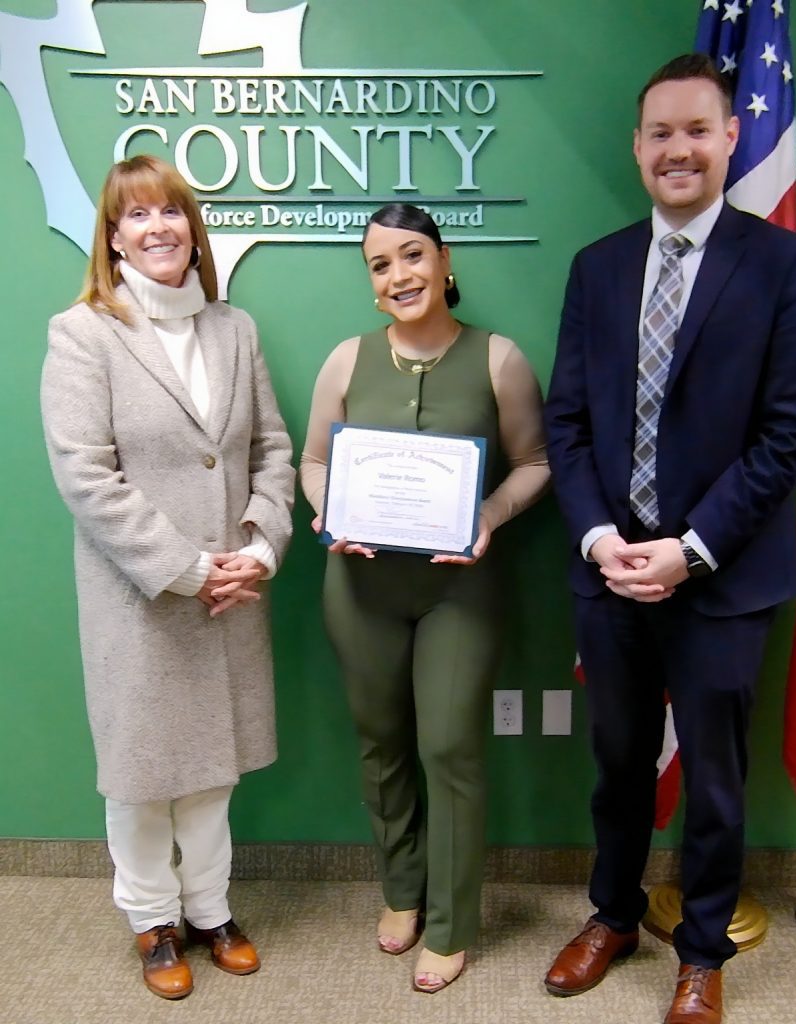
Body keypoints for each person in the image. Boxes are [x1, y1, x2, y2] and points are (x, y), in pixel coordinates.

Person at [542, 55, 796, 1024]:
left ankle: (702, 952)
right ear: (635, 147)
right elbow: (567, 421)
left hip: (721, 576)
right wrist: (598, 538)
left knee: (711, 780)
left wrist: (690, 547)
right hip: (609, 573)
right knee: (618, 764)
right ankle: (612, 915)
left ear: (730, 138)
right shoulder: (596, 267)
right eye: (659, 132)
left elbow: (788, 432)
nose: (678, 149)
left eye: (697, 130)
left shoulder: (784, 266)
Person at [40, 155, 295, 1000]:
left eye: (171, 212)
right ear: (113, 239)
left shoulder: (235, 329)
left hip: (232, 591)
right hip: (142, 598)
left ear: (193, 227)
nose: (158, 228)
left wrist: (260, 547)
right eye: (137, 216)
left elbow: (271, 450)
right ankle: (152, 920)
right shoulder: (83, 333)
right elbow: (86, 475)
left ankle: (211, 910)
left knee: (212, 769)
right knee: (144, 774)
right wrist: (186, 568)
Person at [300, 202, 549, 993]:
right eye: (380, 265)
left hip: (459, 591)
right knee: (380, 745)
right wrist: (328, 511)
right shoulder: (345, 360)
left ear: (444, 263)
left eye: (411, 255)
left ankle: (450, 924)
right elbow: (313, 461)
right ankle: (402, 890)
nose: (398, 275)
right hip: (360, 588)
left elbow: (535, 463)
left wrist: (490, 514)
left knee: (448, 748)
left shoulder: (498, 359)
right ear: (371, 284)